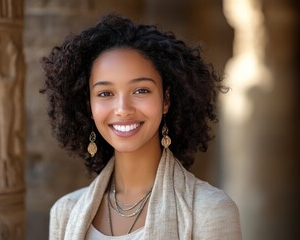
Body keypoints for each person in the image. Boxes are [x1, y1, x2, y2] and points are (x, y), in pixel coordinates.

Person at [41, 14, 241, 240]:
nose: (123, 109)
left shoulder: (209, 211)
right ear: (89, 106)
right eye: (105, 93)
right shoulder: (66, 212)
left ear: (166, 100)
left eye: (141, 90)